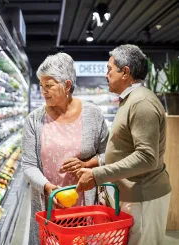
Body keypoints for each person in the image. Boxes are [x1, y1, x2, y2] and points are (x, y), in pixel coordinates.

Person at [75, 44, 171, 245]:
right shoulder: (130, 100)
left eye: (109, 69)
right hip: (133, 195)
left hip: (144, 197)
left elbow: (146, 157)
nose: (106, 75)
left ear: (125, 72)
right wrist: (97, 163)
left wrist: (97, 175)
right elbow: (125, 148)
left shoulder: (141, 103)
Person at [22, 53, 109, 245]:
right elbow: (28, 164)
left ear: (67, 85)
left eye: (49, 85)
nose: (43, 91)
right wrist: (47, 187)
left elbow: (108, 154)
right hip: (49, 206)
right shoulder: (34, 120)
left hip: (84, 207)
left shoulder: (93, 115)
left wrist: (87, 163)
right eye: (41, 85)